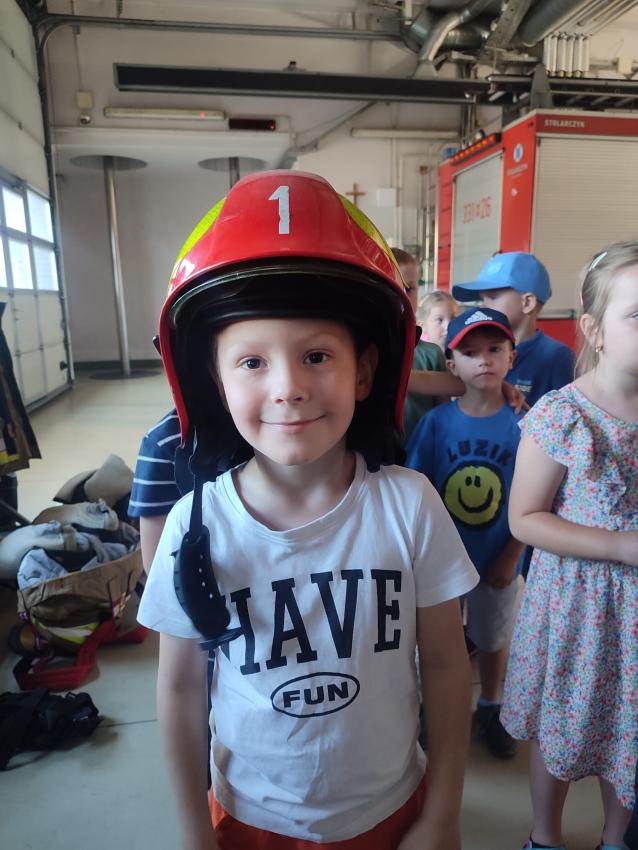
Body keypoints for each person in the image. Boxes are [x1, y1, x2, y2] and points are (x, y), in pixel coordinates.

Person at [137, 171, 479, 850]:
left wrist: (442, 814)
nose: (289, 388)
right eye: (253, 362)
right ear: (215, 382)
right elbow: (179, 691)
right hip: (249, 819)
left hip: (393, 810)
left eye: (316, 355)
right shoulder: (194, 523)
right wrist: (193, 833)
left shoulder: (410, 505)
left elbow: (446, 667)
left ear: (365, 371)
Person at [500, 242, 638, 850]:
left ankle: (616, 837)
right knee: (561, 724)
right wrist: (618, 547)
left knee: (627, 729)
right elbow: (525, 519)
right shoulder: (563, 415)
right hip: (577, 607)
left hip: (633, 616)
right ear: (595, 330)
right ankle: (545, 836)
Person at [406, 307, 524, 760]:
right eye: (471, 353)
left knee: (492, 636)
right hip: (441, 560)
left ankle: (491, 705)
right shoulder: (436, 424)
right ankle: (426, 707)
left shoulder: (524, 424)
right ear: (452, 365)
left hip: (496, 557)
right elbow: (417, 489)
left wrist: (511, 554)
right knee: (433, 639)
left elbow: (536, 498)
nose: (485, 360)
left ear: (512, 356)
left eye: (494, 349)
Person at [452, 252, 575, 407]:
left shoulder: (557, 357)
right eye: (481, 299)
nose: (482, 307)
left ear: (527, 303)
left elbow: (570, 415)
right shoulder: (469, 349)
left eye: (493, 297)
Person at [391, 249, 451, 440]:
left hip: (421, 450)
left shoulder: (432, 354)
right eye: (393, 287)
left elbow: (444, 412)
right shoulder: (360, 349)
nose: (402, 296)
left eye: (409, 289)